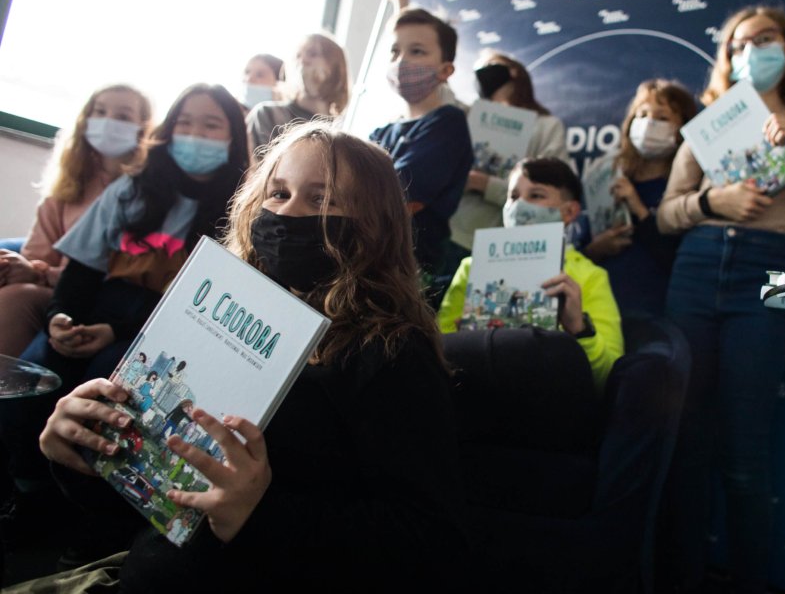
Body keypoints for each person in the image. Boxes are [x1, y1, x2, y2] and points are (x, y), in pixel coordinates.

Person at [29, 123, 468, 592]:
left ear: (373, 224)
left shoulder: (391, 352)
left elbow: (428, 541)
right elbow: (143, 512)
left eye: (322, 200)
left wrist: (256, 514)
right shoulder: (216, 317)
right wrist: (83, 454)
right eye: (277, 193)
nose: (288, 212)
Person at [0, 84, 249, 549]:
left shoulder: (240, 213)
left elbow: (204, 307)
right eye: (184, 123)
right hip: (92, 312)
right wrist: (60, 317)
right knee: (31, 382)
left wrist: (116, 331)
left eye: (211, 125)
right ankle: (28, 496)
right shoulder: (132, 189)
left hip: (158, 331)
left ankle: (88, 523)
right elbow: (81, 271)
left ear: (233, 138)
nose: (194, 134)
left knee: (108, 399)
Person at [656, 5, 785, 594]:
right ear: (727, 58)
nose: (751, 52)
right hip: (697, 268)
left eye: (765, 39)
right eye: (739, 44)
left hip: (766, 270)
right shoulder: (711, 123)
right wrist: (712, 202)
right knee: (686, 445)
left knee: (746, 453)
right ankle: (680, 579)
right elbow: (666, 214)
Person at [438, 157, 623, 391]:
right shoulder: (471, 268)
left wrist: (580, 329)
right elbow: (438, 352)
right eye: (513, 196)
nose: (519, 206)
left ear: (569, 211)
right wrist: (460, 341)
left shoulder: (590, 276)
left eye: (536, 195)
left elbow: (609, 376)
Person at [0, 85, 152, 359]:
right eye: (100, 112)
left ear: (143, 127)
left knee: (16, 298)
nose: (108, 122)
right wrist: (18, 268)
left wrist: (39, 274)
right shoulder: (67, 186)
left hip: (101, 300)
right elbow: (37, 255)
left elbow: (123, 278)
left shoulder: (149, 195)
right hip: (56, 293)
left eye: (123, 116)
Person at [444, 53, 571, 280]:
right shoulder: (466, 115)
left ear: (514, 72)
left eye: (492, 68)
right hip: (449, 232)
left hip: (500, 246)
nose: (484, 76)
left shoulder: (546, 127)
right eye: (479, 71)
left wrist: (485, 184)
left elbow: (552, 192)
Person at [369, 8, 473, 278]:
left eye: (417, 51)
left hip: (409, 269)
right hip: (369, 255)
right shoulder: (381, 132)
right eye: (395, 51)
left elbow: (402, 196)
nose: (402, 61)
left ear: (446, 69)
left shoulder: (447, 123)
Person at [582, 79, 697, 319]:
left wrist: (638, 208)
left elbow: (678, 259)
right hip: (603, 307)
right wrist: (596, 249)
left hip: (656, 311)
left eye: (662, 118)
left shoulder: (687, 186)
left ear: (683, 127)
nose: (649, 124)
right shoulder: (608, 177)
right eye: (642, 115)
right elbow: (578, 252)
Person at [246, 33, 348, 156]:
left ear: (334, 68)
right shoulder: (267, 114)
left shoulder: (343, 129)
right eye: (297, 56)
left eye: (313, 54)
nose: (302, 60)